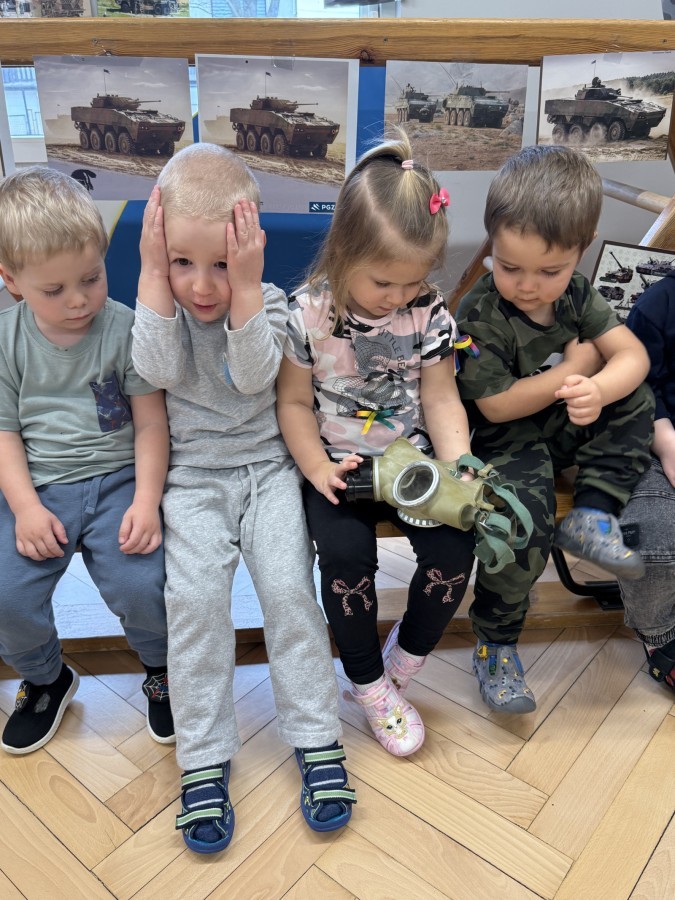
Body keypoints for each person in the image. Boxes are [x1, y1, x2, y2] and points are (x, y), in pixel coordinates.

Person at [132, 143, 355, 855]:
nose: (202, 286)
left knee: (290, 595)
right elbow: (154, 368)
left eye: (223, 264)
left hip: (267, 474)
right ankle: (202, 755)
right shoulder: (158, 308)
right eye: (182, 262)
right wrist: (150, 276)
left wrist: (250, 291)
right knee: (195, 608)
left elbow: (255, 376)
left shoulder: (273, 304)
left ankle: (316, 738)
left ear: (252, 252)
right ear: (160, 253)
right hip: (192, 483)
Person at [276, 136, 476, 758]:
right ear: (342, 251)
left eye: (414, 281)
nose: (399, 296)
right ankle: (366, 683)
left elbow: (441, 399)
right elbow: (292, 404)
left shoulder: (429, 312)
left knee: (454, 553)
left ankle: (403, 663)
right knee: (343, 558)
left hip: (411, 463)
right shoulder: (307, 314)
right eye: (385, 281)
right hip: (336, 467)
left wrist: (459, 466)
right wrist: (316, 467)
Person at [455, 145, 654, 714]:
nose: (527, 286)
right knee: (524, 525)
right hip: (503, 441)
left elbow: (633, 357)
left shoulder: (578, 295)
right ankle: (496, 644)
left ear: (581, 250)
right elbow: (496, 407)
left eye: (549, 272)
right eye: (509, 267)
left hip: (559, 421)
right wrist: (574, 370)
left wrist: (599, 389)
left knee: (635, 397)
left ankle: (593, 514)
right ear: (491, 244)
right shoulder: (481, 311)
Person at [0, 167, 173, 755]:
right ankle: (46, 678)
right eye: (54, 290)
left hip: (120, 482)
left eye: (91, 278)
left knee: (144, 584)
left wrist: (146, 500)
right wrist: (25, 508)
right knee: (7, 597)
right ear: (11, 280)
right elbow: (4, 435)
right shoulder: (6, 341)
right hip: (37, 489)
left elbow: (151, 421)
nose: (78, 300)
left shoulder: (124, 329)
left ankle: (162, 670)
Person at [616, 271, 675, 693]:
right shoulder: (659, 303)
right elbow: (634, 385)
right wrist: (668, 444)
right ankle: (661, 639)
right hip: (650, 441)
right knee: (650, 544)